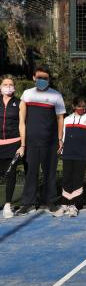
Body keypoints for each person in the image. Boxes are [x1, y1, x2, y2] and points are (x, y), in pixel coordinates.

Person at [16, 66, 66, 216]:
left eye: (45, 78)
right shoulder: (27, 94)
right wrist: (23, 143)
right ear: (34, 78)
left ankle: (50, 202)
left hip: (51, 143)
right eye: (39, 77)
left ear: (49, 79)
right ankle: (27, 203)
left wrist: (60, 139)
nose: (42, 80)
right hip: (31, 142)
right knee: (31, 173)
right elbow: (22, 120)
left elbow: (60, 119)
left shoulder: (56, 96)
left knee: (50, 173)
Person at [56, 97, 86, 217]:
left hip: (82, 156)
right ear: (74, 107)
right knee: (67, 178)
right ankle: (64, 204)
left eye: (83, 107)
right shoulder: (67, 120)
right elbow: (62, 138)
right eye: (79, 106)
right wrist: (60, 144)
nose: (81, 109)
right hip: (68, 154)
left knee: (77, 179)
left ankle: (74, 205)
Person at [0, 75, 24, 218]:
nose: (8, 86)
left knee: (10, 175)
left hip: (13, 143)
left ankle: (8, 205)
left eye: (10, 84)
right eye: (5, 84)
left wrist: (23, 145)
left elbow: (22, 124)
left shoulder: (20, 103)